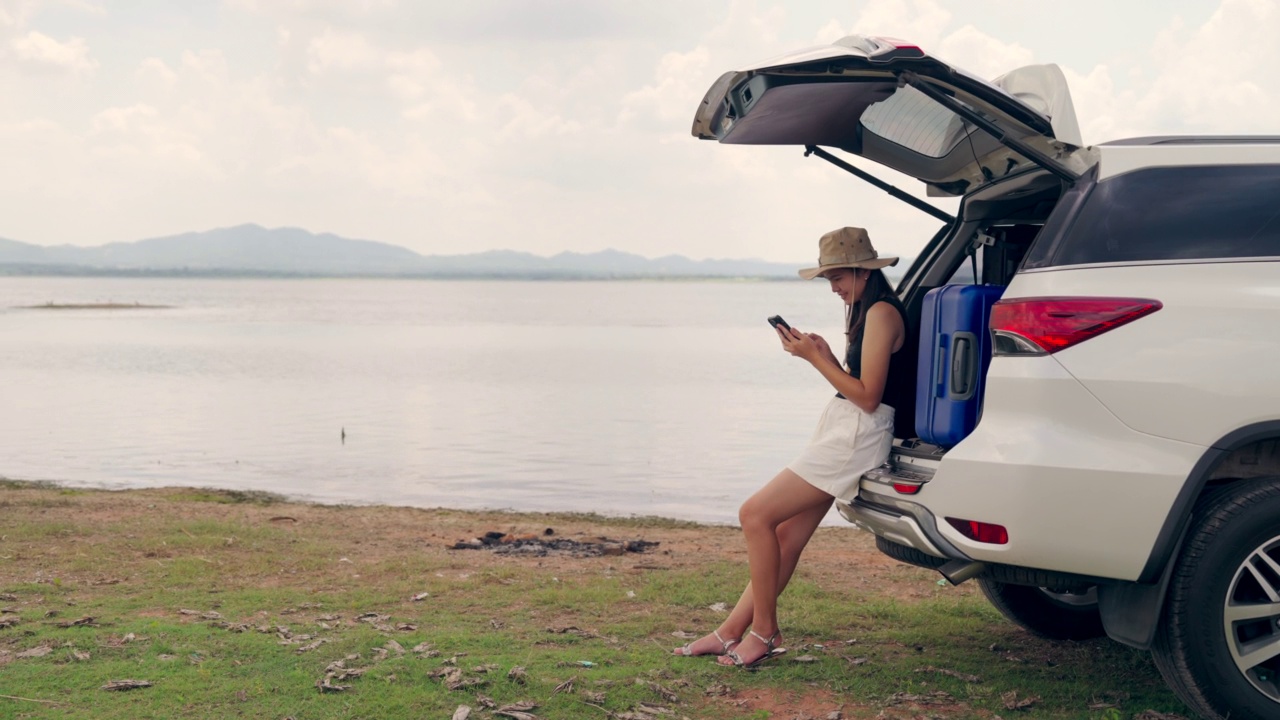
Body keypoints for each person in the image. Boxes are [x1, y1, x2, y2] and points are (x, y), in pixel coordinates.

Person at [672, 226, 910, 668]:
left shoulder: (880, 313)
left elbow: (869, 397)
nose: (834, 288)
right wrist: (829, 356)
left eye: (837, 277)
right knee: (784, 535)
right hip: (847, 427)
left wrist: (815, 360)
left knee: (755, 514)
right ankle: (729, 632)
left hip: (857, 433)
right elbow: (863, 384)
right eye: (829, 280)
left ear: (861, 271)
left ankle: (765, 630)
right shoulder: (868, 311)